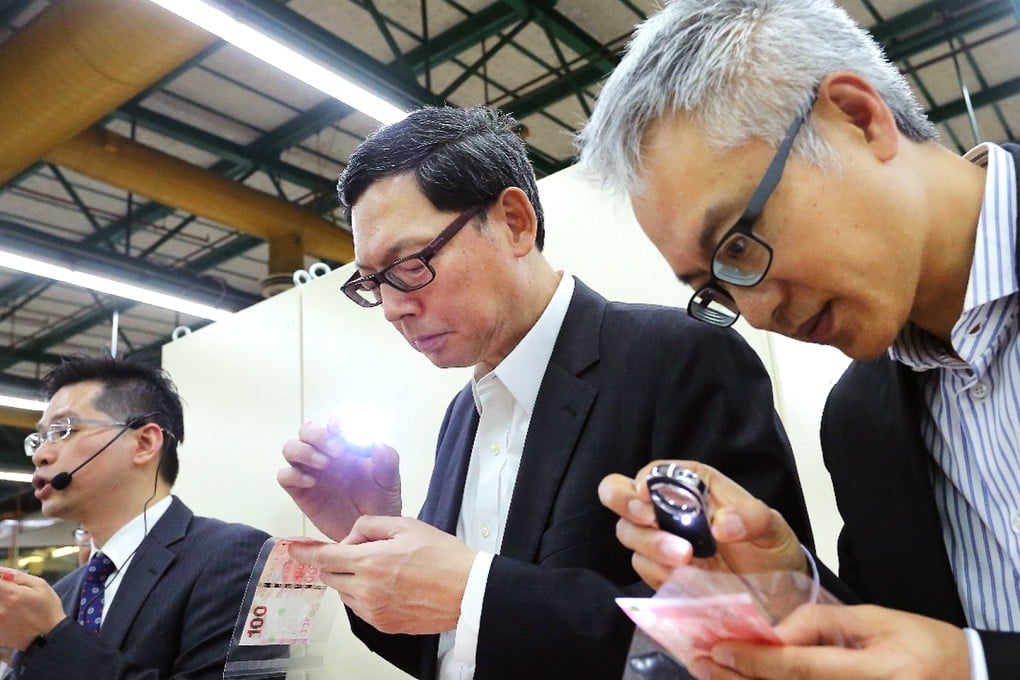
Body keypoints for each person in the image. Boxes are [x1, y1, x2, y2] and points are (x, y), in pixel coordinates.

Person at [278, 105, 816, 680]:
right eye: (372, 282)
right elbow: (444, 652)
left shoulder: (677, 360)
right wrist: (370, 539)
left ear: (514, 222)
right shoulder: (465, 414)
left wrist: (476, 593)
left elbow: (756, 621)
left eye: (409, 265)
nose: (391, 308)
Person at [577, 1, 1019, 678]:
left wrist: (980, 667)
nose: (753, 312)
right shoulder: (859, 423)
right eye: (715, 288)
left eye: (740, 245)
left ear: (857, 117)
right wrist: (792, 586)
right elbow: (904, 638)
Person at [0, 355, 271, 679]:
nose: (41, 454)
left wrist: (55, 638)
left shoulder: (238, 557)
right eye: (39, 439)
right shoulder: (60, 594)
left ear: (144, 442)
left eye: (64, 430)